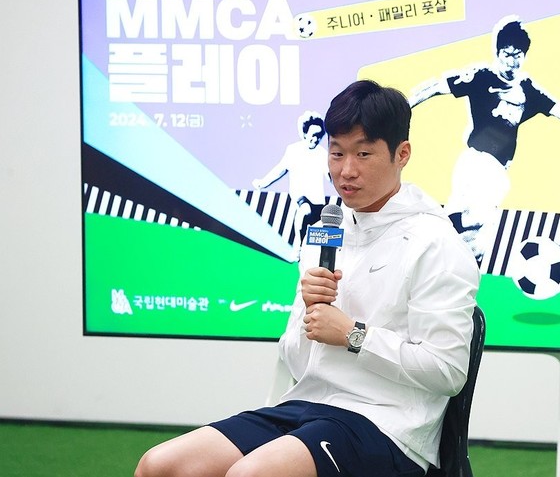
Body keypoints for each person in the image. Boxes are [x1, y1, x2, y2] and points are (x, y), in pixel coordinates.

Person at [134, 80, 480, 477]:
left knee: (251, 475)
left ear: (401, 154)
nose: (346, 171)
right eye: (337, 153)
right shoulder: (326, 230)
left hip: (388, 425)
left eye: (363, 154)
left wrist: (353, 335)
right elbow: (298, 360)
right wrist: (308, 313)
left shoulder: (436, 242)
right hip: (306, 404)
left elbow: (447, 371)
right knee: (159, 466)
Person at [408, 15, 560, 263]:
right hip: (475, 162)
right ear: (497, 53)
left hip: (499, 171)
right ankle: (432, 229)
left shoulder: (527, 89)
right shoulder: (481, 76)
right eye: (507, 54)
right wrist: (404, 105)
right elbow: (436, 87)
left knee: (478, 244)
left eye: (518, 55)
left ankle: (455, 271)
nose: (512, 61)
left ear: (524, 56)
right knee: (480, 217)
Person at [252, 110, 329, 259]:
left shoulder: (322, 154)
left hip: (318, 201)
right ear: (305, 133)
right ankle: (298, 248)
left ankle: (316, 257)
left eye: (319, 136)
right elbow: (280, 170)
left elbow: (331, 175)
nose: (315, 139)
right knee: (304, 212)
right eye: (313, 135)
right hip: (301, 197)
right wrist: (263, 183)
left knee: (319, 235)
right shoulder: (294, 150)